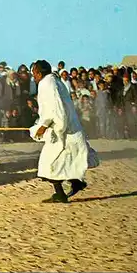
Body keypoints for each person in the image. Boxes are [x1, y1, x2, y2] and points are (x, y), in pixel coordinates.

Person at [30, 60, 98, 203]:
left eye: (34, 73)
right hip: (68, 128)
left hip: (62, 130)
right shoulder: (56, 81)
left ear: (39, 73)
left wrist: (44, 125)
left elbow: (55, 108)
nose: (33, 76)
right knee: (63, 160)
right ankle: (75, 183)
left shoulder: (46, 83)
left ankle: (61, 193)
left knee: (49, 163)